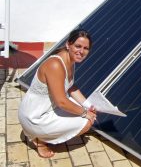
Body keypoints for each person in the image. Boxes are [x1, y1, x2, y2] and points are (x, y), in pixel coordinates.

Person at [18, 29, 97, 158]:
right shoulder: (55, 64)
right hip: (35, 116)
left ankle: (50, 134)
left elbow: (71, 87)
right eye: (78, 46)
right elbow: (61, 101)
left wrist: (88, 105)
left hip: (49, 107)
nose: (81, 51)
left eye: (86, 48)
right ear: (68, 45)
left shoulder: (70, 60)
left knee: (84, 112)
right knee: (86, 122)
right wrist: (84, 112)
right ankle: (40, 141)